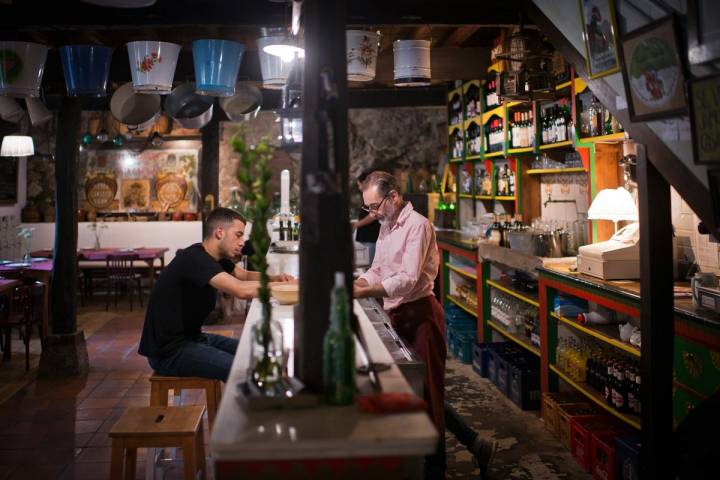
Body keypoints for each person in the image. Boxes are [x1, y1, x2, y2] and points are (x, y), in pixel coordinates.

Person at [353, 171, 497, 478]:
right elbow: (378, 268)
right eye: (369, 209)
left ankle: (437, 469)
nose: (373, 214)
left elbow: (407, 278)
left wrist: (367, 290)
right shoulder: (387, 225)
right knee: (419, 389)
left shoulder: (418, 226)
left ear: (393, 197)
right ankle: (475, 443)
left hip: (421, 315)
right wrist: (360, 281)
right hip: (398, 313)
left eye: (375, 206)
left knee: (429, 396)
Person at [138, 207, 294, 382]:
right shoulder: (195, 258)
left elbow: (244, 275)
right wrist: (284, 290)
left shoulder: (215, 258)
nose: (242, 242)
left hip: (193, 338)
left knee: (260, 351)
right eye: (238, 235)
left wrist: (276, 279)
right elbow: (240, 290)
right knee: (244, 370)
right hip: (169, 351)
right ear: (220, 232)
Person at [352, 171, 380, 264]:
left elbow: (373, 216)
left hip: (371, 237)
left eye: (359, 184)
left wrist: (357, 224)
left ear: (364, 182)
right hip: (368, 238)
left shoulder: (373, 195)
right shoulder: (368, 195)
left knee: (372, 267)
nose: (359, 188)